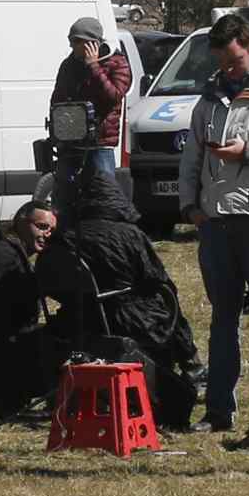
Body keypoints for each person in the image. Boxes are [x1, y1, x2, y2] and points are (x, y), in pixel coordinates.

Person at [179, 12, 249, 439]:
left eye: (235, 62)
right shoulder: (208, 100)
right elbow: (191, 157)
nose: (228, 71)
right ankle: (219, 409)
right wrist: (190, 205)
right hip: (215, 223)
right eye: (222, 64)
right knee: (223, 319)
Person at [38, 166, 196, 425]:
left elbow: (47, 279)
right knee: (168, 301)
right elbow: (156, 279)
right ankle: (188, 361)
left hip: (79, 319)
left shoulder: (66, 237)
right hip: (129, 317)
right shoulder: (129, 235)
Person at [0, 199, 62, 414]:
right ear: (20, 222)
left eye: (52, 230)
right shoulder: (3, 254)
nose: (47, 234)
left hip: (2, 337)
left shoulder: (10, 249)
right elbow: (2, 311)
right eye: (42, 227)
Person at [53, 18, 132, 183]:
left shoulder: (117, 62)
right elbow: (57, 100)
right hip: (71, 143)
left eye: (75, 41)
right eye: (70, 40)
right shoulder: (69, 65)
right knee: (64, 197)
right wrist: (57, 135)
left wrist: (94, 66)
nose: (71, 46)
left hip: (100, 144)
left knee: (104, 197)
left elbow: (114, 96)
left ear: (91, 44)